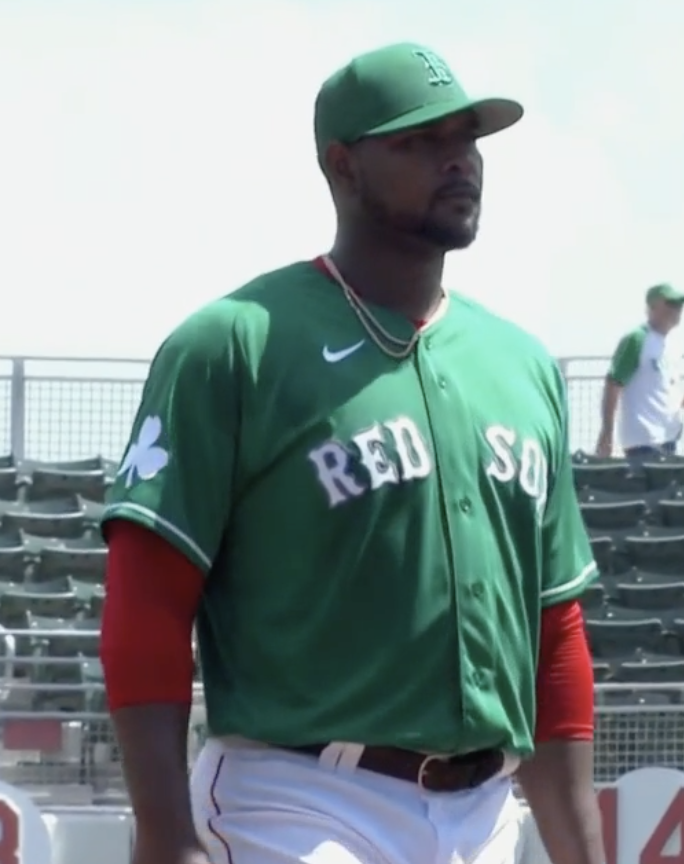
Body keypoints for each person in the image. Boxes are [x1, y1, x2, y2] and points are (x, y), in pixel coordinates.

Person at [100, 42, 603, 864]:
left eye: (466, 140)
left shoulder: (522, 365)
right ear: (343, 165)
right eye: (418, 142)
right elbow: (146, 601)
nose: (457, 162)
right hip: (297, 800)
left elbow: (555, 628)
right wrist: (163, 834)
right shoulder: (235, 344)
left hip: (485, 813)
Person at [596, 282, 684, 464]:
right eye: (670, 304)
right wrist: (607, 432)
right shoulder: (637, 339)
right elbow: (614, 383)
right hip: (643, 442)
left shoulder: (673, 346)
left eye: (679, 305)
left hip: (669, 440)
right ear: (652, 307)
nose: (677, 309)